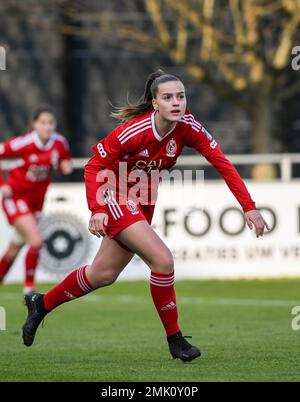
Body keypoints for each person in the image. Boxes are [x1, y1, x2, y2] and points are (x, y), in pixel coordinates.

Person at [22, 71, 269, 362]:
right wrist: (98, 209)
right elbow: (93, 166)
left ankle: (41, 304)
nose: (176, 102)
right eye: (167, 97)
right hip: (114, 193)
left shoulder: (189, 127)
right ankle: (176, 340)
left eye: (181, 96)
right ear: (154, 103)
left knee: (102, 274)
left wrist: (248, 206)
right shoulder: (134, 131)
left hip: (143, 201)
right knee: (163, 260)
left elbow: (222, 163)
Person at [0, 107, 73, 294]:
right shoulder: (22, 143)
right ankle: (29, 288)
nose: (47, 127)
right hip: (16, 198)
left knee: (14, 247)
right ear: (34, 124)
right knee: (36, 241)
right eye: (43, 122)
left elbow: (65, 159)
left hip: (37, 203)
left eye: (51, 123)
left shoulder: (59, 142)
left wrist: (66, 166)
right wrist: (2, 183)